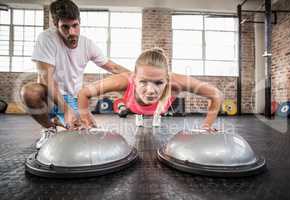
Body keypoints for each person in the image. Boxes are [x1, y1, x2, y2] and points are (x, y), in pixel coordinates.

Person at [20, 0, 129, 149]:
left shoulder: (87, 44)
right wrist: (66, 110)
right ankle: (49, 128)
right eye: (65, 27)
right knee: (29, 92)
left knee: (86, 133)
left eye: (75, 26)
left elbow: (113, 67)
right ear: (56, 24)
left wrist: (141, 77)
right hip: (49, 95)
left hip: (72, 97)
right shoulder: (46, 39)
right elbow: (47, 78)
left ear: (79, 23)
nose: (71, 32)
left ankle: (60, 121)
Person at [78, 48, 223, 130]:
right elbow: (83, 93)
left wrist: (206, 126)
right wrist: (87, 120)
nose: (151, 90)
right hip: (132, 106)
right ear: (134, 78)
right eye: (143, 82)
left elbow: (216, 95)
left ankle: (155, 113)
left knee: (157, 109)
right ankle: (141, 114)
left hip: (160, 108)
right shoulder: (123, 80)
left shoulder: (176, 82)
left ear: (167, 79)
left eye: (159, 83)